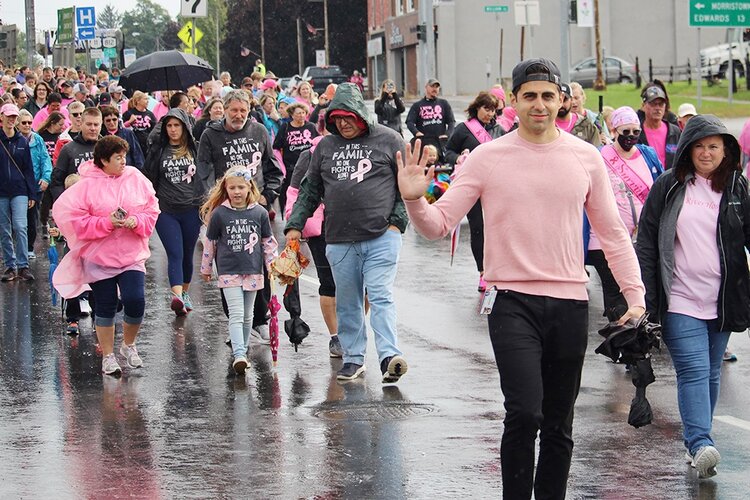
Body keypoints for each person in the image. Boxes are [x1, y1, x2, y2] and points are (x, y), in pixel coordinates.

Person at [398, 59, 646, 499]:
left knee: (557, 421)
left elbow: (612, 233)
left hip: (570, 303)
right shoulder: (487, 158)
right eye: (529, 95)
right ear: (513, 101)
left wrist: (635, 296)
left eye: (548, 96)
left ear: (561, 102)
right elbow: (439, 225)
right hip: (510, 301)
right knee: (524, 413)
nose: (539, 104)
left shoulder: (585, 157)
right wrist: (415, 200)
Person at [636, 114, 749, 480]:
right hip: (680, 299)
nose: (706, 153)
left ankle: (699, 441)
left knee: (712, 372)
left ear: (726, 151)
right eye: (699, 145)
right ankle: (700, 442)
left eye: (714, 146)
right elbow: (648, 243)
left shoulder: (736, 187)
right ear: (687, 149)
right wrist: (647, 298)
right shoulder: (669, 185)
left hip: (722, 299)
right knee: (695, 370)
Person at [285, 82, 409, 383]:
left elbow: (406, 187)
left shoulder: (389, 140)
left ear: (361, 114)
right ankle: (353, 359)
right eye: (336, 118)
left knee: (379, 295)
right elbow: (310, 189)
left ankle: (389, 356)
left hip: (381, 235)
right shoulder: (325, 147)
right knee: (348, 301)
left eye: (347, 117)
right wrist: (294, 225)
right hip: (338, 239)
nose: (342, 123)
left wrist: (396, 223)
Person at [53, 135, 159, 375]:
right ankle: (108, 356)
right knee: (106, 305)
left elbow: (151, 209)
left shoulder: (135, 177)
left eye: (124, 156)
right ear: (103, 160)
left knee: (135, 300)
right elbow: (75, 221)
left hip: (131, 254)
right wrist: (106, 222)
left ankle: (129, 345)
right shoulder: (86, 186)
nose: (123, 161)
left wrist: (137, 220)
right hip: (99, 257)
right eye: (117, 157)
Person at [197, 89, 284, 342]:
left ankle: (259, 319)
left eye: (243, 111)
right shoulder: (211, 135)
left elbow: (272, 166)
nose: (238, 115)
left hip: (254, 210)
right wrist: (217, 204)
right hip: (226, 212)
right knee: (228, 265)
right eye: (234, 110)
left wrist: (267, 196)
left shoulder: (258, 131)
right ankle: (236, 319)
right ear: (224, 109)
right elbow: (205, 173)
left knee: (260, 264)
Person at [586, 106, 663, 322]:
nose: (631, 137)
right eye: (625, 132)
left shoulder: (647, 155)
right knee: (616, 294)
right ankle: (622, 340)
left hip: (642, 238)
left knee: (640, 290)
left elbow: (659, 188)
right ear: (614, 130)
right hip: (604, 240)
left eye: (635, 132)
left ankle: (634, 339)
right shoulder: (601, 157)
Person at [200, 166, 278, 373]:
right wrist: (206, 268)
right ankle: (240, 354)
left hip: (253, 271)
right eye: (232, 187)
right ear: (225, 189)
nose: (236, 192)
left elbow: (268, 242)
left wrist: (273, 266)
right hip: (228, 271)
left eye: (241, 187)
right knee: (236, 313)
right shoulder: (219, 214)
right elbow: (210, 243)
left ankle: (242, 351)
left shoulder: (260, 213)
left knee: (247, 315)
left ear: (249, 187)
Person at [443, 91, 504, 292]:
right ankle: (482, 273)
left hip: (496, 188)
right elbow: (448, 152)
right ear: (477, 108)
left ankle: (500, 270)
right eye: (486, 109)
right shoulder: (463, 130)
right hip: (473, 189)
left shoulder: (499, 131)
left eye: (493, 110)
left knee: (498, 230)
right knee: (478, 228)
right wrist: (458, 158)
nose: (489, 113)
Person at [144, 109, 202, 316]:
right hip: (166, 209)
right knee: (174, 253)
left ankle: (185, 293)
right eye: (169, 126)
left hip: (192, 208)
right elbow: (148, 174)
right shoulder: (159, 149)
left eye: (177, 125)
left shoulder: (195, 149)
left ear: (184, 127)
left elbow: (205, 175)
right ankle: (176, 296)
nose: (173, 130)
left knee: (187, 254)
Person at [0, 103, 37, 282]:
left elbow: (28, 169)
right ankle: (10, 265)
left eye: (14, 117)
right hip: (1, 191)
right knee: (4, 229)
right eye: (9, 116)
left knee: (20, 226)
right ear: (2, 117)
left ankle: (23, 266)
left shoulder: (22, 141)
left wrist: (32, 193)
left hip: (20, 189)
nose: (11, 120)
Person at [16, 109, 52, 259]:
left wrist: (46, 178)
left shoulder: (37, 140)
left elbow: (45, 160)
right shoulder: (14, 140)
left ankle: (29, 247)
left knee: (32, 218)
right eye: (23, 123)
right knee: (17, 220)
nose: (27, 125)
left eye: (29, 123)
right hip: (18, 185)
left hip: (35, 185)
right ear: (18, 124)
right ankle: (17, 248)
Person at [273, 102, 318, 217]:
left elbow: (318, 143)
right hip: (291, 169)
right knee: (293, 193)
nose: (301, 115)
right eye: (298, 113)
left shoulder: (311, 127)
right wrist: (281, 168)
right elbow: (276, 147)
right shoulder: (285, 127)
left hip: (309, 167)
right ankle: (291, 215)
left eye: (303, 113)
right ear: (292, 115)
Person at [51, 107, 102, 201]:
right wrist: (64, 203)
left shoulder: (107, 148)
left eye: (96, 124)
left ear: (101, 126)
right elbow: (56, 182)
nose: (93, 128)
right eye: (89, 124)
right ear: (81, 124)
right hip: (76, 203)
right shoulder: (68, 149)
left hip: (102, 202)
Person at [405, 78, 455, 160]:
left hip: (440, 142)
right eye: (432, 86)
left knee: (442, 165)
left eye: (437, 87)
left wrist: (447, 134)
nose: (434, 89)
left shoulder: (444, 103)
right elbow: (409, 122)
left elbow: (451, 122)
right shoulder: (418, 105)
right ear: (426, 87)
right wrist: (416, 133)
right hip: (424, 141)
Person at [638, 82, 681, 169]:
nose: (658, 108)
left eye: (661, 104)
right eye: (653, 104)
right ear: (643, 106)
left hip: (670, 180)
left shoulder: (675, 132)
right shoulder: (636, 133)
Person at [100, 106, 144, 170]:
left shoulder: (128, 133)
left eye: (114, 119)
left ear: (118, 119)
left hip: (127, 170)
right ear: (103, 122)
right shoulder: (101, 136)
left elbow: (137, 154)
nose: (111, 122)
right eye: (108, 120)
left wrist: (139, 171)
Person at [122, 91, 157, 157]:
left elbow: (155, 129)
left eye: (148, 99)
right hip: (133, 144)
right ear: (138, 101)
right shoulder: (129, 113)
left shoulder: (150, 114)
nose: (147, 101)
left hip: (147, 145)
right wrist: (129, 122)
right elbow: (122, 127)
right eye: (145, 99)